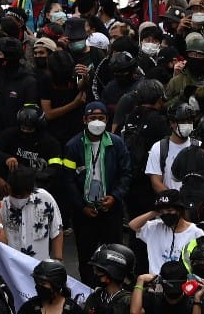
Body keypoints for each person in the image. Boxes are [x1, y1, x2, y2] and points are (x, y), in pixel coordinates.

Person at [63, 102, 132, 283]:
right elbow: (68, 180)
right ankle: (88, 292)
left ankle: (114, 289)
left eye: (101, 118)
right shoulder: (73, 146)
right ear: (84, 120)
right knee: (86, 255)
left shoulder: (117, 144)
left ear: (107, 120)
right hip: (84, 212)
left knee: (114, 252)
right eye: (92, 118)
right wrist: (81, 206)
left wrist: (115, 197)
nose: (97, 122)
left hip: (111, 209)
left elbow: (126, 174)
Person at [128, 189, 202, 273]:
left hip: (182, 282)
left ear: (180, 210)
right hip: (155, 282)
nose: (166, 214)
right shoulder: (154, 227)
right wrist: (154, 212)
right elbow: (133, 225)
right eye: (162, 212)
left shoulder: (196, 233)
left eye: (170, 211)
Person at [17, 259, 84, 314]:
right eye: (37, 282)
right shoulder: (29, 308)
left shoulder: (73, 310)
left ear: (57, 284)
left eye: (43, 283)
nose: (39, 286)